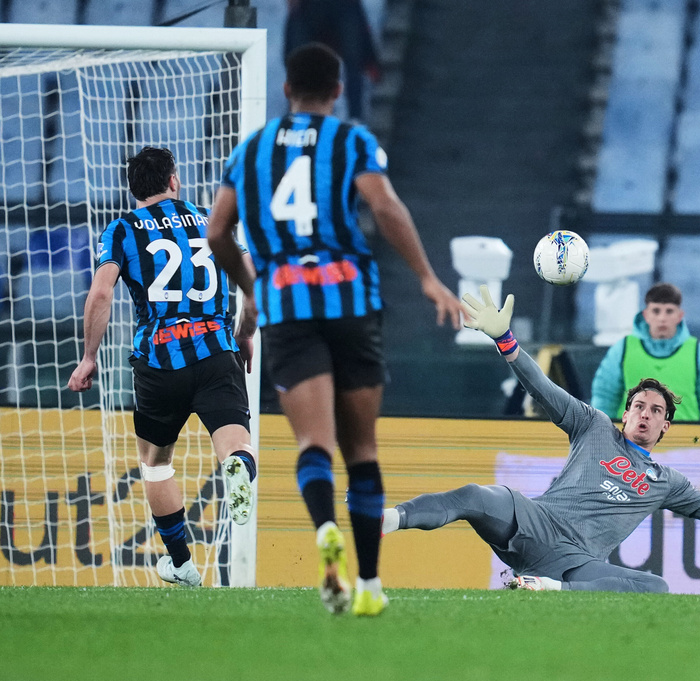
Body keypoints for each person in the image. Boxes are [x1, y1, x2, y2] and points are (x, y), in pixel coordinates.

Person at [206, 43, 464, 616]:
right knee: (362, 448)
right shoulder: (351, 141)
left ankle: (325, 529)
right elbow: (386, 206)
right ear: (339, 90)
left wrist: (254, 290)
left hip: (288, 306)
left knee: (313, 444)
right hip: (351, 300)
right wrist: (426, 277)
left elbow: (217, 231)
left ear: (285, 89)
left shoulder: (249, 152)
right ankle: (370, 585)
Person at [380, 285, 700, 593]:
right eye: (640, 408)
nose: (646, 416)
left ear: (666, 427)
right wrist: (506, 341)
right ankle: (386, 519)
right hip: (533, 520)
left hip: (576, 561)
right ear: (625, 413)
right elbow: (542, 389)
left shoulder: (666, 481)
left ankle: (545, 588)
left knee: (656, 589)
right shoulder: (591, 425)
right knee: (474, 495)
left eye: (657, 412)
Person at [68, 146, 258, 588]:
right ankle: (237, 468)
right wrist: (244, 334)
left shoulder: (121, 230)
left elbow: (100, 295)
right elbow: (253, 287)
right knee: (235, 444)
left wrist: (89, 357)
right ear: (174, 180)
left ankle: (181, 564)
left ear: (134, 190)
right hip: (216, 350)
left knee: (156, 464)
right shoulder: (215, 220)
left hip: (158, 360)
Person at [591, 282, 700, 423]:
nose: (662, 318)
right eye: (656, 311)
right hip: (630, 440)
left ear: (680, 316)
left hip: (686, 440)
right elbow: (604, 399)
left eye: (669, 311)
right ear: (646, 315)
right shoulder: (622, 349)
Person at [284, 0, 380, 121]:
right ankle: (296, 117)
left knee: (354, 60)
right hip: (307, 7)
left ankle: (356, 119)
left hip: (344, 6)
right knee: (297, 60)